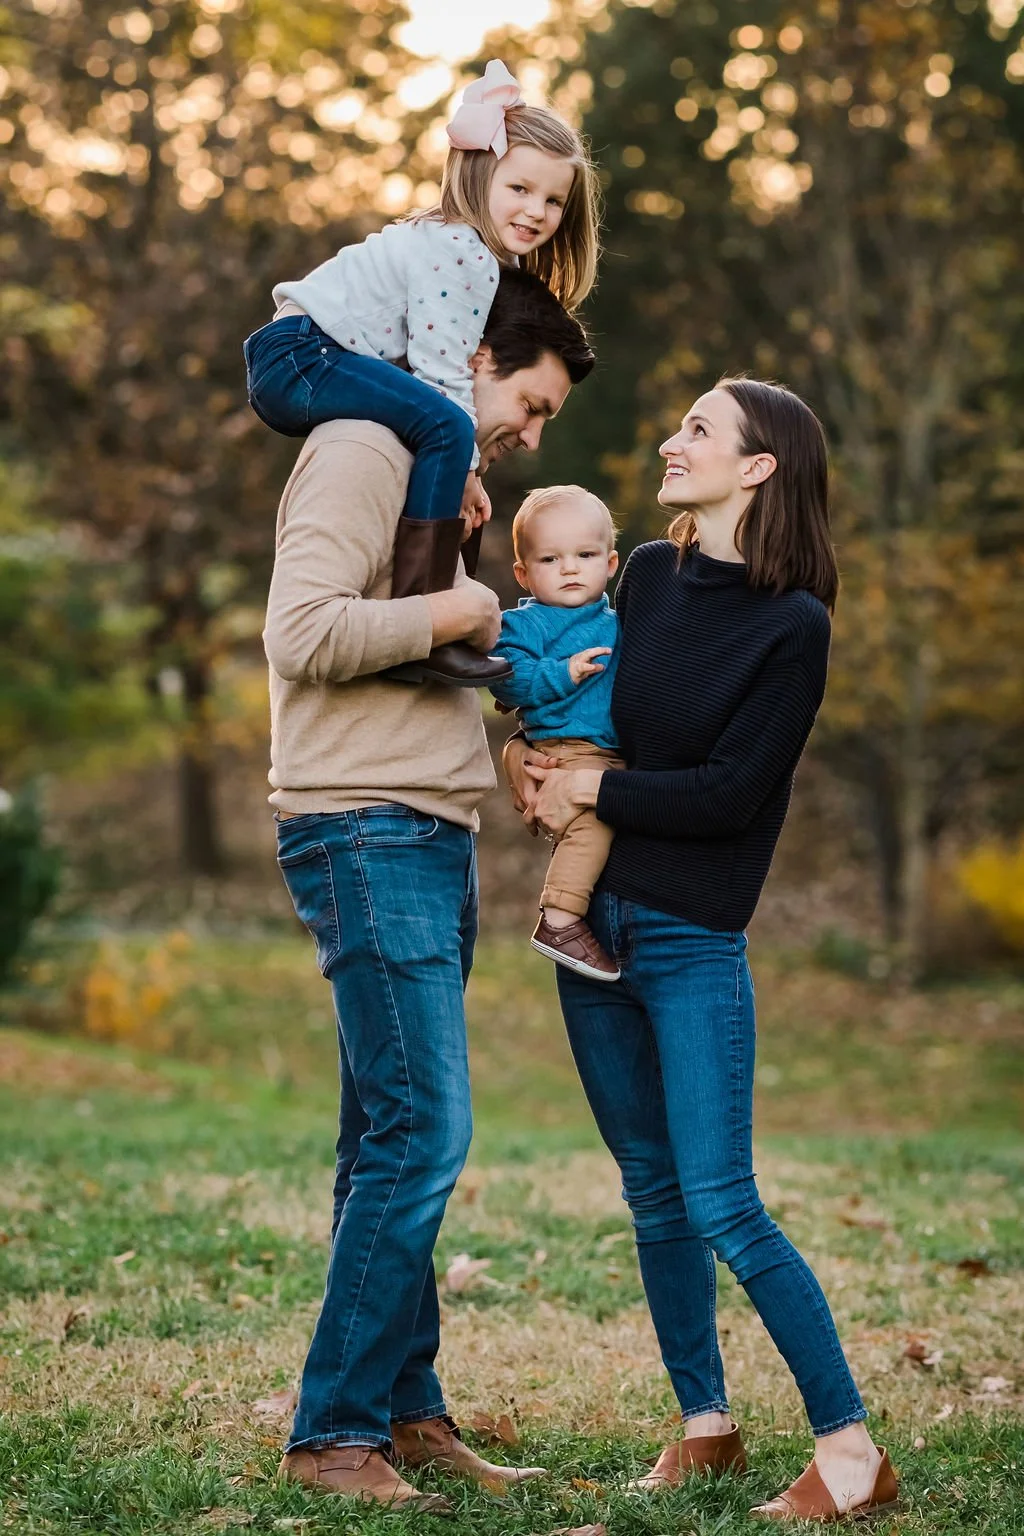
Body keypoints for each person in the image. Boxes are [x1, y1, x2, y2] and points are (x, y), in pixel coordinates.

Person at [505, 379, 900, 1523]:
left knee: (724, 1201)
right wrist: (542, 767)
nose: (670, 442)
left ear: (759, 467)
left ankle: (849, 1454)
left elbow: (730, 795)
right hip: (593, 929)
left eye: (695, 430)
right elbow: (575, 704)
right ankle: (706, 1428)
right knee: (651, 1192)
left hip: (688, 939)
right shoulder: (641, 576)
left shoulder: (793, 626)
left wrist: (598, 786)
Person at [264, 266, 594, 1514]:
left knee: (383, 1139)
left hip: (425, 825)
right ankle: (331, 1434)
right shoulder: (356, 444)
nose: (529, 429)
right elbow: (301, 635)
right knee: (425, 1137)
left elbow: (409, 641)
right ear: (470, 355)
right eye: (531, 399)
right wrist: (466, 600)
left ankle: (403, 1411)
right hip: (361, 824)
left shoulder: (425, 467)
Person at [245, 59, 601, 686]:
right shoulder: (462, 254)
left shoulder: (448, 240)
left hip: (301, 355)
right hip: (302, 355)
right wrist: (462, 465)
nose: (537, 211)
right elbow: (442, 373)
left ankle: (435, 616)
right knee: (444, 424)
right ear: (479, 174)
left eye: (553, 200)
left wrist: (463, 475)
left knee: (440, 431)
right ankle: (429, 617)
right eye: (519, 189)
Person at [490, 485, 624, 981]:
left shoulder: (619, 622)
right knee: (594, 823)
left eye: (585, 555)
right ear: (523, 572)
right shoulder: (526, 624)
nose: (570, 569)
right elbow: (507, 679)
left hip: (608, 751)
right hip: (564, 750)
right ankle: (560, 919)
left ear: (610, 563)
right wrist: (561, 673)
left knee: (608, 817)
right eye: (550, 558)